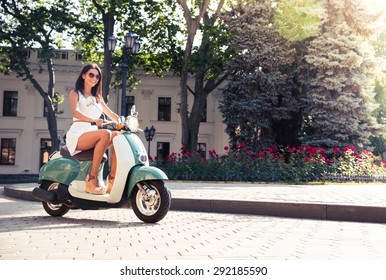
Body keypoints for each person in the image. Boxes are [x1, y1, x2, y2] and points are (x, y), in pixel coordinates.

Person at [65, 63, 119, 195]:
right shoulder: (75, 93)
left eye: (97, 76)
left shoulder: (97, 98)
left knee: (118, 136)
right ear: (84, 75)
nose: (94, 78)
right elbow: (75, 112)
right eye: (91, 74)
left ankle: (112, 179)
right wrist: (94, 121)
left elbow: (110, 114)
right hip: (78, 135)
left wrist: (124, 121)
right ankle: (91, 178)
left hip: (92, 134)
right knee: (105, 133)